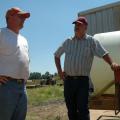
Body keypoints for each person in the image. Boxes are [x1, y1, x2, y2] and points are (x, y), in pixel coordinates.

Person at [54, 16, 120, 120]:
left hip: (82, 82)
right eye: (75, 24)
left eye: (79, 24)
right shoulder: (68, 41)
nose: (76, 26)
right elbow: (57, 55)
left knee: (83, 110)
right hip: (68, 81)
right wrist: (59, 71)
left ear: (85, 27)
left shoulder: (91, 41)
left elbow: (103, 53)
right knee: (71, 110)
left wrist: (112, 64)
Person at [0, 7, 30, 120]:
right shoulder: (1, 33)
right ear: (10, 17)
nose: (24, 19)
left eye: (24, 17)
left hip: (22, 87)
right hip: (6, 87)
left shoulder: (24, 39)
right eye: (20, 16)